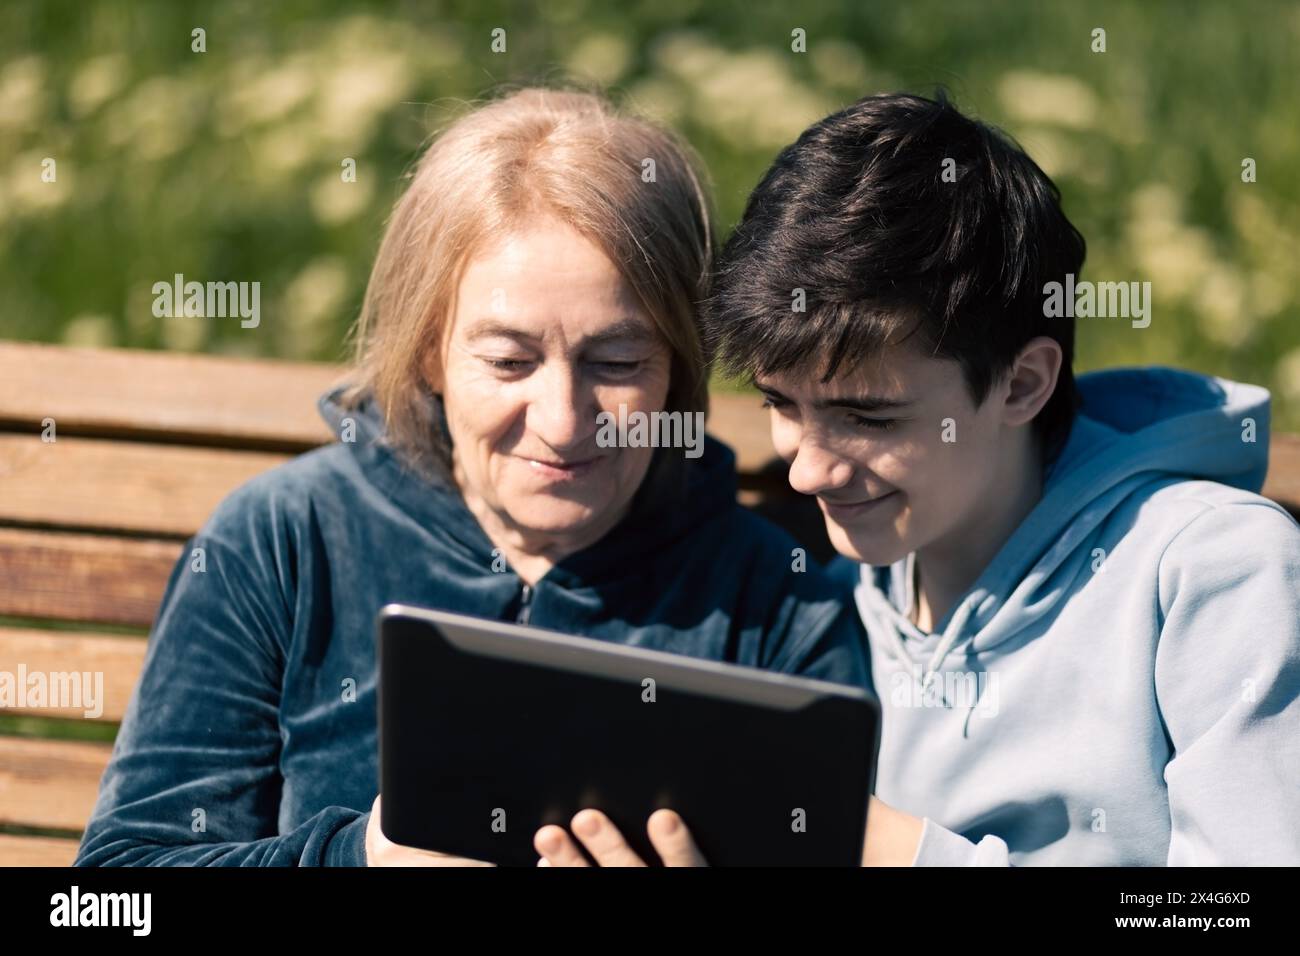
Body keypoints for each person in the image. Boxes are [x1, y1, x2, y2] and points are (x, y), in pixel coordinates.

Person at [74, 88, 868, 867]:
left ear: (678, 368)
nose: (562, 420)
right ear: (429, 351)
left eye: (617, 362)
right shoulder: (285, 542)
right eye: (508, 362)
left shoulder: (777, 605)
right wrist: (360, 860)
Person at [535, 91, 1300, 867]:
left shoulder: (1213, 571)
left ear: (1022, 383)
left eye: (868, 418)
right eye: (783, 406)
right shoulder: (830, 604)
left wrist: (913, 856)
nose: (807, 471)